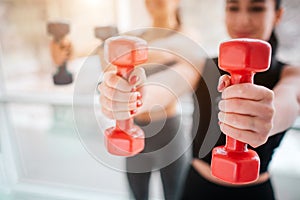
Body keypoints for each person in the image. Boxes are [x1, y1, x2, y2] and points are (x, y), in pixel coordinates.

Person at [181, 0, 300, 199]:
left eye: (257, 8)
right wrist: (135, 95)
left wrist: (269, 119)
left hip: (255, 194)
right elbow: (169, 83)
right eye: (233, 7)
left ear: (277, 15)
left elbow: (291, 98)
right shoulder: (201, 65)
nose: (243, 19)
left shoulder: (292, 74)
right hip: (197, 189)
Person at [99, 0, 203, 199]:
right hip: (134, 127)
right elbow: (108, 66)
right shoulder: (136, 36)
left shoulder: (186, 35)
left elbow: (189, 54)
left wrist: (133, 52)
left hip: (169, 132)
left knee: (174, 195)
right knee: (137, 195)